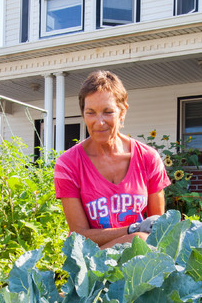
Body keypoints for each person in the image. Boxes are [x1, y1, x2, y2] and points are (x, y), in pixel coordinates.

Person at [54, 70, 170, 248]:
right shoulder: (68, 164)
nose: (99, 122)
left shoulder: (148, 158)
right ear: (83, 114)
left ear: (122, 112)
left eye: (108, 112)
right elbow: (79, 237)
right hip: (89, 260)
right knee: (140, 239)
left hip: (139, 259)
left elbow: (158, 227)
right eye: (91, 113)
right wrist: (132, 230)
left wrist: (135, 236)